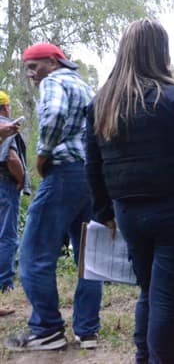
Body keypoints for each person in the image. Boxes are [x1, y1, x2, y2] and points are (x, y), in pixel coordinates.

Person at [85, 19, 174, 364]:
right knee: (166, 297)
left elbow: (93, 164)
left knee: (150, 290)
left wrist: (103, 212)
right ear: (161, 52)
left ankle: (143, 357)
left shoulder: (102, 102)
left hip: (128, 212)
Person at [4, 43, 103, 351]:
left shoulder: (54, 81)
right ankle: (87, 331)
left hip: (63, 173)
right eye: (28, 68)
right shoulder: (84, 86)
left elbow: (55, 114)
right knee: (89, 258)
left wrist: (43, 154)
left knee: (34, 254)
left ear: (54, 61)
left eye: (35, 66)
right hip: (89, 176)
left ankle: (46, 328)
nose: (31, 74)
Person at [0, 91, 29, 296]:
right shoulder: (6, 127)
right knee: (7, 235)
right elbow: (11, 158)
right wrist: (20, 179)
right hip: (4, 184)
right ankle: (4, 283)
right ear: (6, 106)